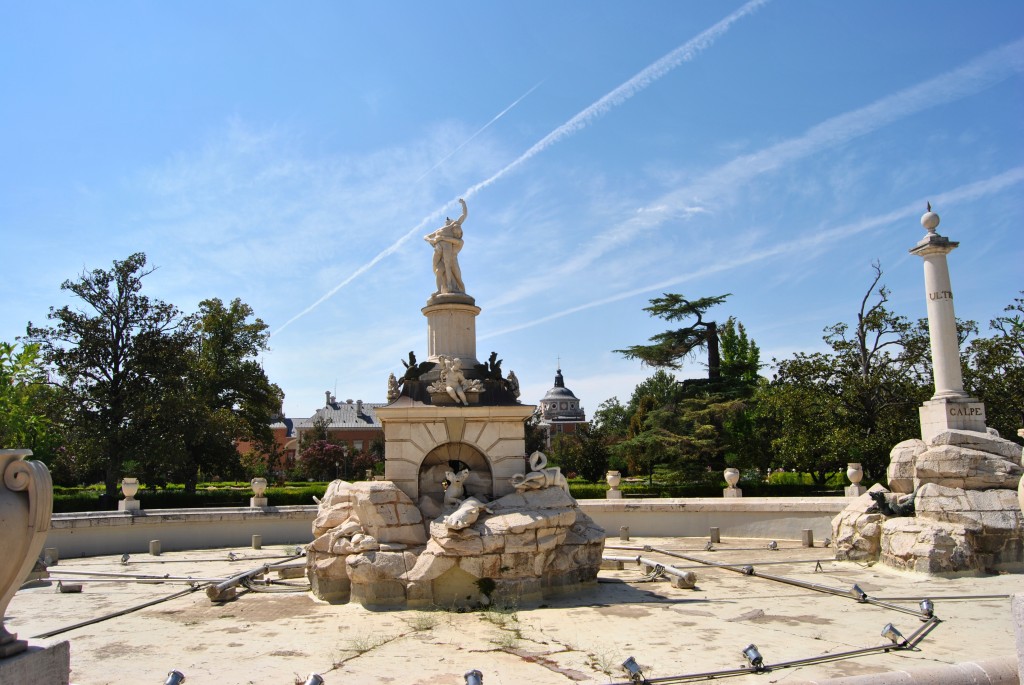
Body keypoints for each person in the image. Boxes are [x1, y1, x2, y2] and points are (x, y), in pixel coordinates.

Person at [424, 198, 467, 294]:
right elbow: (426, 236)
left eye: (450, 219)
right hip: (441, 257)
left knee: (458, 278)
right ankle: (440, 290)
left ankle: (461, 291)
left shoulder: (453, 228)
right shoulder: (439, 230)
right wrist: (431, 240)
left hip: (452, 260)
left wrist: (463, 204)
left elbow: (464, 215)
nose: (448, 219)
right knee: (438, 272)